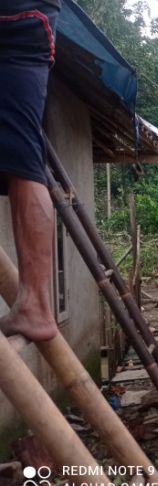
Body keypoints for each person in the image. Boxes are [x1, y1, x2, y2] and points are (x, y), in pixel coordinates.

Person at [0, 0, 61, 342]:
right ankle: (34, 302)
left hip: (14, 12)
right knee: (23, 156)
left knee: (23, 160)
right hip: (31, 19)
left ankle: (35, 304)